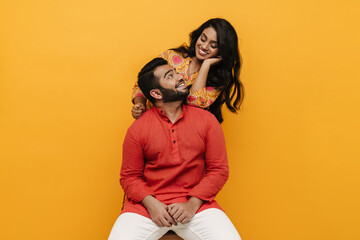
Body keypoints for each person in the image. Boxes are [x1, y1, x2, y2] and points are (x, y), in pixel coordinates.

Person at [108, 58, 241, 240]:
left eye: (176, 72)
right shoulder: (137, 129)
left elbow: (219, 171)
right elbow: (129, 177)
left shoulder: (207, 121)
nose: (180, 77)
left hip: (197, 206)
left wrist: (192, 204)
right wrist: (151, 204)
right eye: (170, 76)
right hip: (147, 208)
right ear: (156, 93)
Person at [131, 18, 244, 123]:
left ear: (222, 51)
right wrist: (139, 105)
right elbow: (143, 82)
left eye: (213, 45)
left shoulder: (217, 81)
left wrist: (206, 65)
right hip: (152, 124)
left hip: (183, 134)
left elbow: (194, 104)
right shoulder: (171, 56)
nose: (204, 46)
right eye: (203, 39)